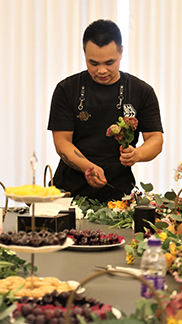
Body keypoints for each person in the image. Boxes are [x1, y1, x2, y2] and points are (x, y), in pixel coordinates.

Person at [47, 19, 164, 202]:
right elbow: (62, 142)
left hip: (119, 195)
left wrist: (137, 154)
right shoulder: (67, 89)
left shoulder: (141, 91)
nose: (101, 70)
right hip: (69, 192)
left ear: (121, 52)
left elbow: (156, 140)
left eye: (110, 62)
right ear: (84, 53)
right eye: (93, 63)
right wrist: (88, 167)